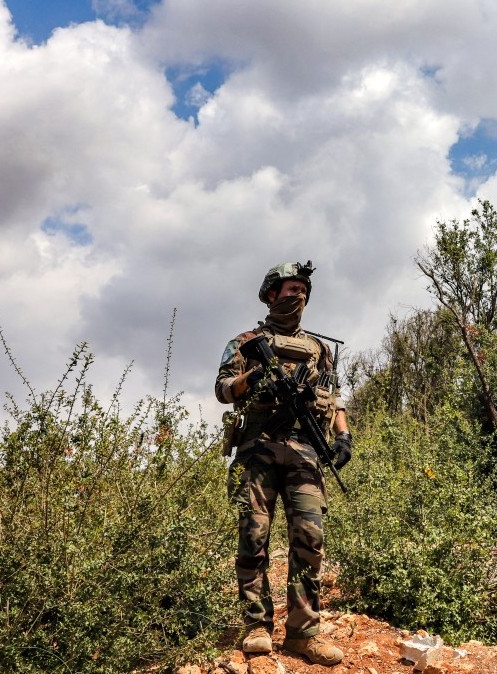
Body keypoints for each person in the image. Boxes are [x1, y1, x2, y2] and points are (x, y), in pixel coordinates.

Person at [215, 261, 352, 665]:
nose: (299, 296)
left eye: (304, 291)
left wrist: (343, 436)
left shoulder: (320, 350)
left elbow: (335, 397)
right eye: (291, 289)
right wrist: (251, 379)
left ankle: (303, 632)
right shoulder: (245, 341)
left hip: (305, 452)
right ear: (271, 293)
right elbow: (222, 390)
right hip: (257, 447)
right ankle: (256, 625)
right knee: (254, 537)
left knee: (309, 540)